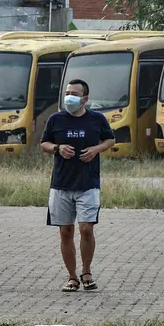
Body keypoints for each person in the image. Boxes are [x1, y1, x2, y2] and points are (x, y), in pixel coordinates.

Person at [41, 79, 115, 292]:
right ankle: (72, 277)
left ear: (85, 99)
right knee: (65, 231)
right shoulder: (56, 119)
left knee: (86, 229)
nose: (69, 97)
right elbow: (44, 143)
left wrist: (96, 149)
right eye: (67, 92)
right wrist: (57, 148)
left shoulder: (97, 119)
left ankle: (87, 271)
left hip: (88, 184)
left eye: (74, 93)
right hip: (61, 184)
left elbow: (110, 140)